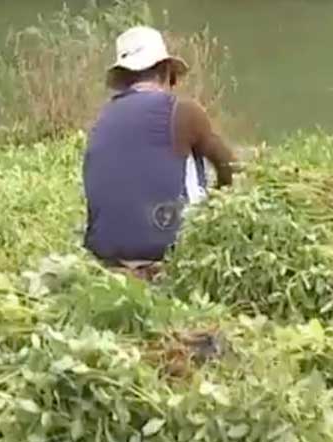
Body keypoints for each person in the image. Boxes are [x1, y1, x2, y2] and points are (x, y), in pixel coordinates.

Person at [82, 25, 239, 279]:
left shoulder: (103, 118)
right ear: (167, 72)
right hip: (168, 252)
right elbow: (229, 168)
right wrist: (220, 207)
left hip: (107, 256)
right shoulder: (184, 111)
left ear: (123, 79)